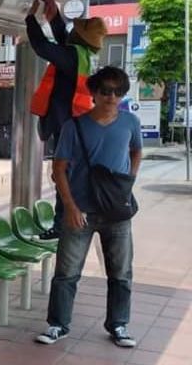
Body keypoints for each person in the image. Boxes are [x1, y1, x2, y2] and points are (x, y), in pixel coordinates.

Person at [36, 66, 142, 348]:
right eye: (106, 91)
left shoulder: (130, 122)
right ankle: (58, 324)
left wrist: (129, 180)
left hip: (117, 213)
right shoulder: (74, 127)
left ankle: (118, 324)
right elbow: (58, 169)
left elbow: (136, 150)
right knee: (66, 272)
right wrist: (69, 206)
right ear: (93, 93)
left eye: (118, 91)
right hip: (80, 211)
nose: (112, 96)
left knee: (121, 272)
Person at [26, 0, 108, 239]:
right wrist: (53, 14)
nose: (71, 30)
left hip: (66, 124)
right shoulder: (81, 54)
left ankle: (62, 226)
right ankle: (64, 222)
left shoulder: (72, 56)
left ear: (79, 36)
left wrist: (30, 18)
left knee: (63, 175)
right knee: (64, 173)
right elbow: (63, 37)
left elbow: (42, 47)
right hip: (73, 121)